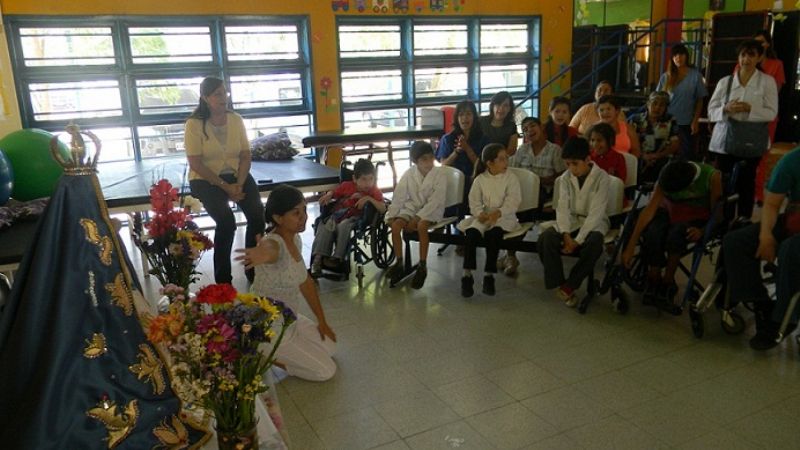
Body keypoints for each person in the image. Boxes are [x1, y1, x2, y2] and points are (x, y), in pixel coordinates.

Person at [236, 185, 337, 382]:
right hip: (268, 326)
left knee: (331, 348)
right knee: (326, 371)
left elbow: (306, 282)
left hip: (290, 317)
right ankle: (260, 351)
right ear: (278, 218)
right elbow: (271, 250)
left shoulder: (295, 239)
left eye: (304, 210)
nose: (303, 217)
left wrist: (322, 322)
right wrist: (262, 253)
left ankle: (290, 348)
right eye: (295, 213)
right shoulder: (273, 243)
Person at [185, 76, 265, 285]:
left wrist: (239, 183)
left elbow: (245, 155)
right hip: (205, 179)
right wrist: (226, 187)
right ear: (205, 98)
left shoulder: (236, 119)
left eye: (225, 92)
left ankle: (253, 270)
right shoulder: (194, 124)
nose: (224, 97)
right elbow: (196, 163)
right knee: (226, 221)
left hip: (236, 175)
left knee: (257, 215)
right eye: (218, 94)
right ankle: (223, 281)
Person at [721, 147, 800, 351]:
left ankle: (784, 318)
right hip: (794, 220)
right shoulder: (792, 160)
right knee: (736, 242)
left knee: (790, 249)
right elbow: (772, 204)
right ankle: (761, 305)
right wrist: (766, 235)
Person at [621, 161, 722, 310]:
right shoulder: (668, 173)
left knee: (677, 234)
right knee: (653, 231)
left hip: (694, 215)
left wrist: (702, 231)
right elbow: (649, 211)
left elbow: (717, 214)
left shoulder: (712, 177)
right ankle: (654, 276)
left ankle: (668, 281)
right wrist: (630, 246)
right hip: (666, 209)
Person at [708, 39, 778, 221]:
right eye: (743, 55)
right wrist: (725, 109)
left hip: (751, 140)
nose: (746, 59)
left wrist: (750, 109)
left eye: (751, 55)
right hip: (725, 142)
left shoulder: (767, 82)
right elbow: (711, 111)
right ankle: (723, 221)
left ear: (759, 58)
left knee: (746, 182)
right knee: (724, 183)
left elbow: (772, 113)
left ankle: (743, 220)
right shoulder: (725, 82)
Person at [537, 137, 610, 307]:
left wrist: (577, 240)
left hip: (594, 222)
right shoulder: (565, 178)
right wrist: (566, 234)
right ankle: (561, 283)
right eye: (568, 164)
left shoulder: (602, 178)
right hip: (571, 221)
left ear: (587, 159)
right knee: (545, 239)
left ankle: (571, 284)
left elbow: (596, 213)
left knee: (594, 244)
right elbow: (562, 208)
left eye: (575, 164)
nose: (571, 168)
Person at [498, 117, 566, 276]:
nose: (529, 131)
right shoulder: (523, 150)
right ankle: (507, 252)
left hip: (544, 191)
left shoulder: (554, 150)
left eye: (532, 126)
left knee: (523, 212)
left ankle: (510, 254)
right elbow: (512, 169)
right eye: (525, 129)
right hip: (522, 191)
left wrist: (539, 180)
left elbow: (562, 175)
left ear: (541, 127)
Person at [458, 143, 521, 297]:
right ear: (489, 163)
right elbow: (474, 201)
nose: (506, 162)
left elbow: (514, 200)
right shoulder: (480, 179)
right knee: (471, 234)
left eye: (506, 158)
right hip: (485, 216)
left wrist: (499, 212)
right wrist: (479, 213)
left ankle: (489, 275)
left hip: (504, 217)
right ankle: (467, 274)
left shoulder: (511, 178)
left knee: (494, 235)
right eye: (501, 159)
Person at [384, 141, 446, 289]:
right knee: (396, 226)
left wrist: (417, 218)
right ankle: (399, 262)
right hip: (412, 207)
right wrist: (391, 215)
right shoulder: (409, 174)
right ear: (415, 161)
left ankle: (422, 266)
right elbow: (399, 196)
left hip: (432, 210)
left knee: (422, 225)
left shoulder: (440, 174)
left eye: (431, 157)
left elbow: (436, 200)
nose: (429, 162)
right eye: (424, 159)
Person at [311, 159, 385, 275]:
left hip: (357, 217)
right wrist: (329, 195)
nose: (368, 183)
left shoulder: (374, 191)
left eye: (371, 179)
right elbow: (334, 192)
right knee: (325, 224)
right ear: (354, 179)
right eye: (364, 179)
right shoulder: (346, 186)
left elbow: (383, 208)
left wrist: (368, 198)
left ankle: (338, 259)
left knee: (343, 225)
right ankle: (318, 258)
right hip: (339, 214)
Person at [437, 100, 489, 255]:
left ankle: (464, 232)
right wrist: (457, 151)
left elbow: (481, 166)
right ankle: (457, 231)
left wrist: (467, 148)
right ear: (457, 118)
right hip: (453, 182)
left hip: (475, 179)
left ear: (474, 117)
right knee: (456, 185)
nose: (465, 118)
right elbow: (444, 165)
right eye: (461, 115)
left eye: (468, 114)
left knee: (467, 184)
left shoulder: (483, 139)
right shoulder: (448, 138)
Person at [656, 44, 708, 160]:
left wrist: (695, 120)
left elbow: (700, 100)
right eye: (675, 55)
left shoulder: (695, 76)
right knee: (665, 153)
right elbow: (658, 98)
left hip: (686, 122)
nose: (678, 58)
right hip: (667, 122)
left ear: (686, 56)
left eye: (681, 54)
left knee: (686, 154)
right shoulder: (666, 76)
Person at [628, 91, 680, 184]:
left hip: (662, 158)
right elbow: (627, 142)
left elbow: (675, 144)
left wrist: (656, 156)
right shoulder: (635, 119)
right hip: (639, 157)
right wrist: (643, 156)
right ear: (648, 104)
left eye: (662, 105)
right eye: (654, 103)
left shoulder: (670, 120)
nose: (657, 107)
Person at [479, 91, 519, 156]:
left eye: (505, 105)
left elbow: (511, 151)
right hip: (480, 159)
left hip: (502, 160)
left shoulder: (511, 126)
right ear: (492, 106)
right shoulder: (481, 121)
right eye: (498, 104)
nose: (501, 108)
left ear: (509, 109)